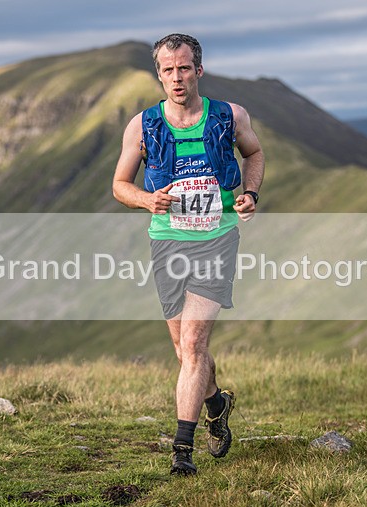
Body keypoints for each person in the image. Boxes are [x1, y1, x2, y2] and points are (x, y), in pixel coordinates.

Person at [112, 34, 264, 474]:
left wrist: (250, 193)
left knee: (195, 344)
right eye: (167, 70)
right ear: (158, 75)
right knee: (184, 351)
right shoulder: (143, 125)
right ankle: (216, 403)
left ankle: (182, 451)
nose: (176, 78)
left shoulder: (229, 115)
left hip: (217, 238)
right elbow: (120, 185)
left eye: (183, 68)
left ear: (199, 70)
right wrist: (146, 200)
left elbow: (253, 153)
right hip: (167, 241)